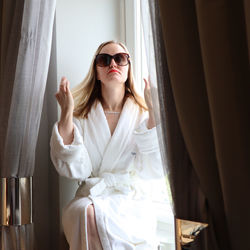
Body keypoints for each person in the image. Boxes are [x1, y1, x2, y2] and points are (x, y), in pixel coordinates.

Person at [50, 40, 164, 250]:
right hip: (92, 196)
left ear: (129, 69)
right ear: (97, 72)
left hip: (131, 200)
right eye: (104, 60)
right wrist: (66, 113)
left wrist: (155, 113)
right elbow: (75, 169)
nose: (113, 64)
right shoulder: (82, 115)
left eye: (120, 59)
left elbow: (153, 170)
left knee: (92, 214)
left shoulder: (142, 114)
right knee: (85, 212)